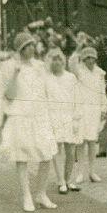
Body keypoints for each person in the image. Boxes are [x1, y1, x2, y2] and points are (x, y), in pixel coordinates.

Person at [2, 33, 59, 212]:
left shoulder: (41, 66)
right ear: (21, 49)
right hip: (20, 116)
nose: (32, 49)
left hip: (40, 116)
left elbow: (48, 88)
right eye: (28, 46)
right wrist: (15, 73)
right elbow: (9, 95)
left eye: (33, 45)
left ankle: (40, 193)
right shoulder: (10, 66)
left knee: (47, 155)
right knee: (22, 157)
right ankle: (27, 195)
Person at [44, 49, 81, 194]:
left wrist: (76, 119)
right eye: (54, 59)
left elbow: (77, 98)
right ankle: (60, 181)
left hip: (69, 116)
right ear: (50, 62)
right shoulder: (47, 79)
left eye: (59, 59)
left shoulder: (71, 77)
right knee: (57, 149)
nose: (57, 62)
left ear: (63, 61)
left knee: (71, 151)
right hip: (53, 117)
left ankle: (68, 179)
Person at [72, 46, 107, 185]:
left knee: (92, 142)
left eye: (93, 58)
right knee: (81, 142)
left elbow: (103, 92)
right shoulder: (79, 72)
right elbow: (72, 62)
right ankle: (80, 172)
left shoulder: (100, 73)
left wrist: (104, 108)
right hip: (81, 110)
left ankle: (92, 172)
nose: (91, 60)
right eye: (88, 58)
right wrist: (78, 48)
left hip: (95, 110)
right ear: (84, 59)